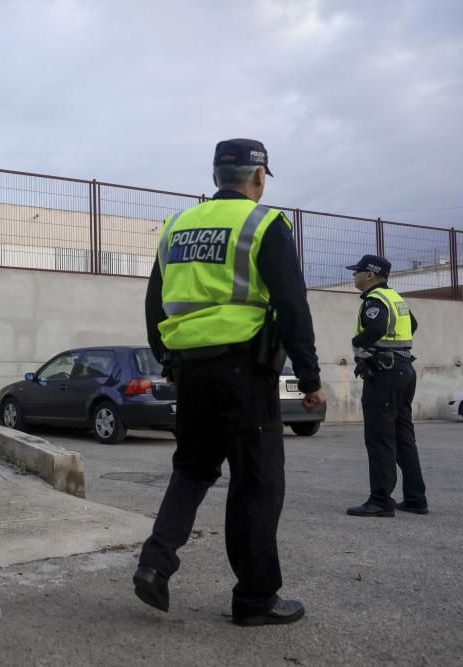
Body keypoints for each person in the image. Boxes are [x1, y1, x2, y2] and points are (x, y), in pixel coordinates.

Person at [133, 138, 327, 627]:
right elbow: (291, 305)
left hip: (191, 371)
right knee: (257, 481)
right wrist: (309, 377)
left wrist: (169, 360)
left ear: (217, 175)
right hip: (245, 372)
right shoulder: (264, 223)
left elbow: (155, 303)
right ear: (258, 177)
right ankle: (255, 599)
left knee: (192, 469)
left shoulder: (176, 226)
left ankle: (155, 562)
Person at [345, 255, 428, 517]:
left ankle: (380, 501)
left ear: (370, 275)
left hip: (385, 374)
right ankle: (416, 499)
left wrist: (358, 344)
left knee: (380, 438)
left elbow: (378, 326)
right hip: (404, 370)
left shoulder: (375, 300)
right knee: (404, 437)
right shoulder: (395, 298)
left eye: (357, 272)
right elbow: (412, 324)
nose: (354, 276)